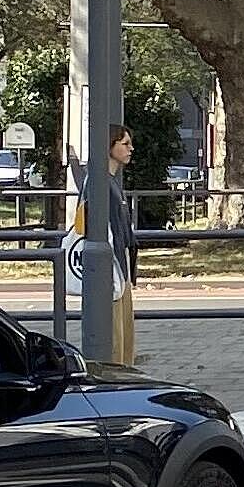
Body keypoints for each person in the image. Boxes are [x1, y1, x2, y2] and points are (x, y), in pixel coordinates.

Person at [107, 124, 139, 366]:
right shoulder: (101, 183)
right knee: (116, 335)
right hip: (113, 265)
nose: (131, 149)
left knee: (124, 332)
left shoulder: (113, 182)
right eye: (124, 143)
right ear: (110, 145)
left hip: (121, 264)